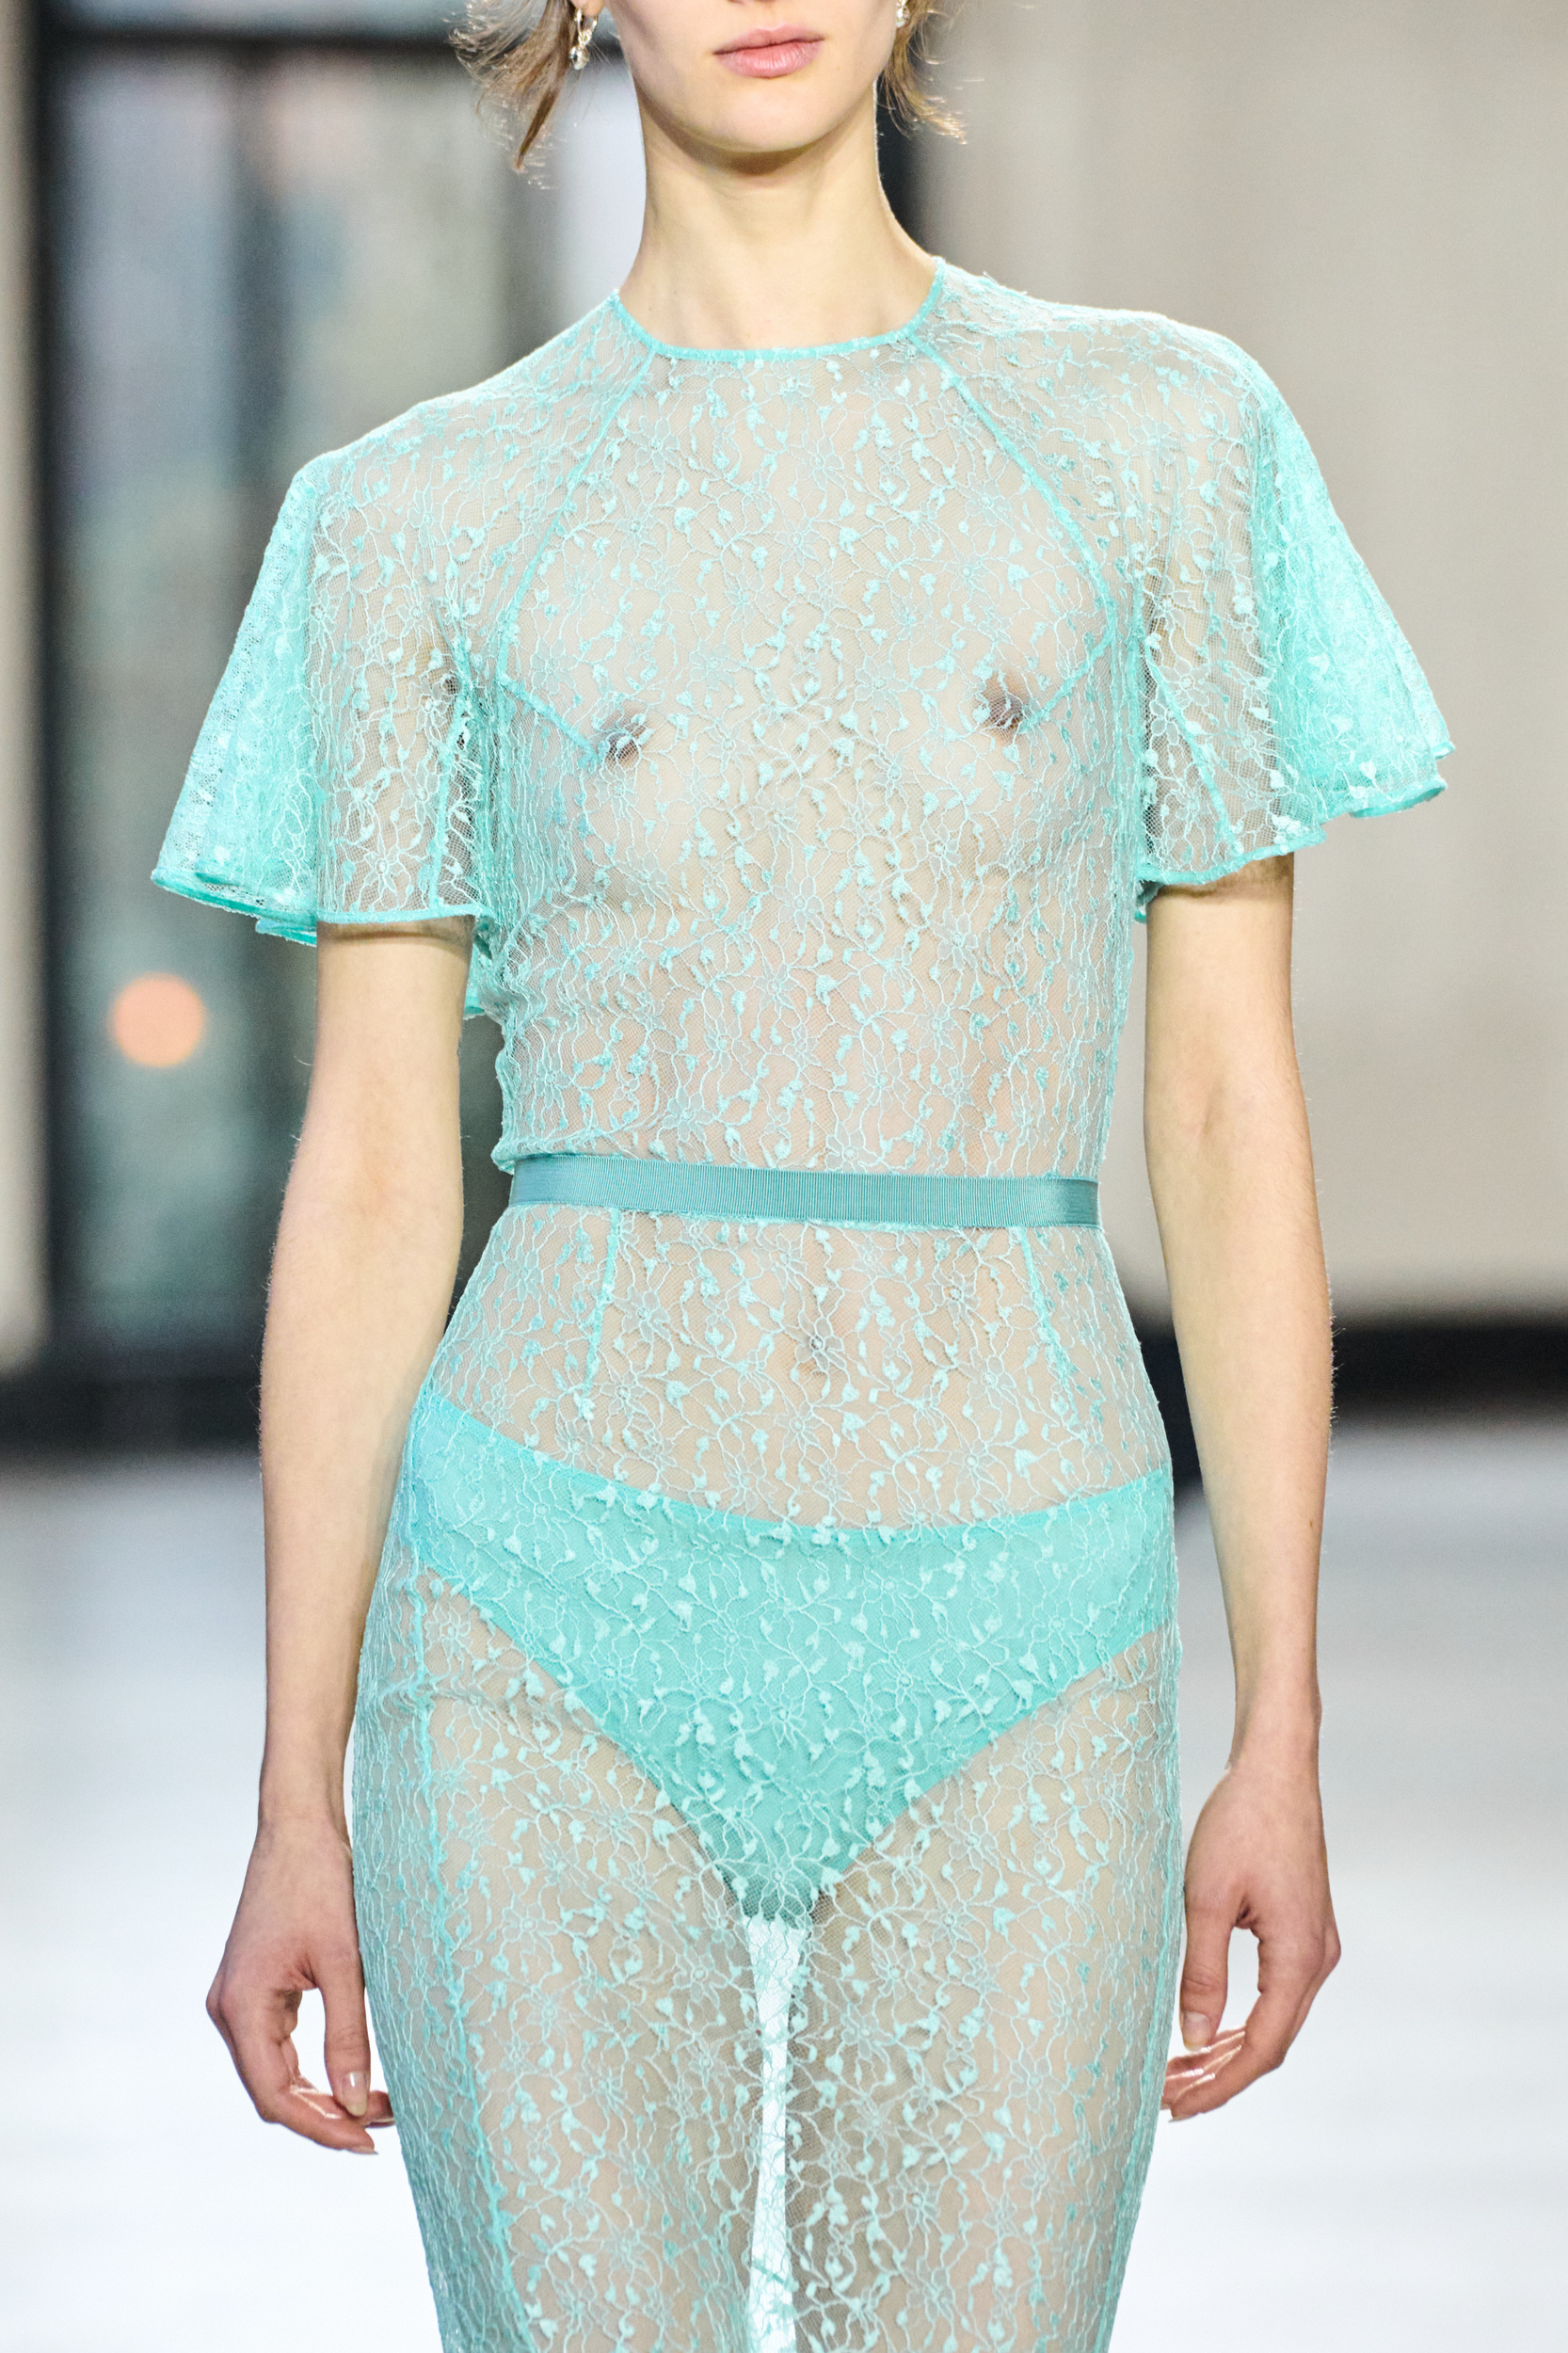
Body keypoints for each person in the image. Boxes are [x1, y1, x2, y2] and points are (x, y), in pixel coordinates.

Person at [153, 3, 1451, 2345]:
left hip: (1025, 1619)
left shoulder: (1155, 443)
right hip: (534, 1616)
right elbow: (371, 1172)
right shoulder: (416, 515)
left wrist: (1279, 1722)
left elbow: (1224, 1111)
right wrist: (291, 1794)